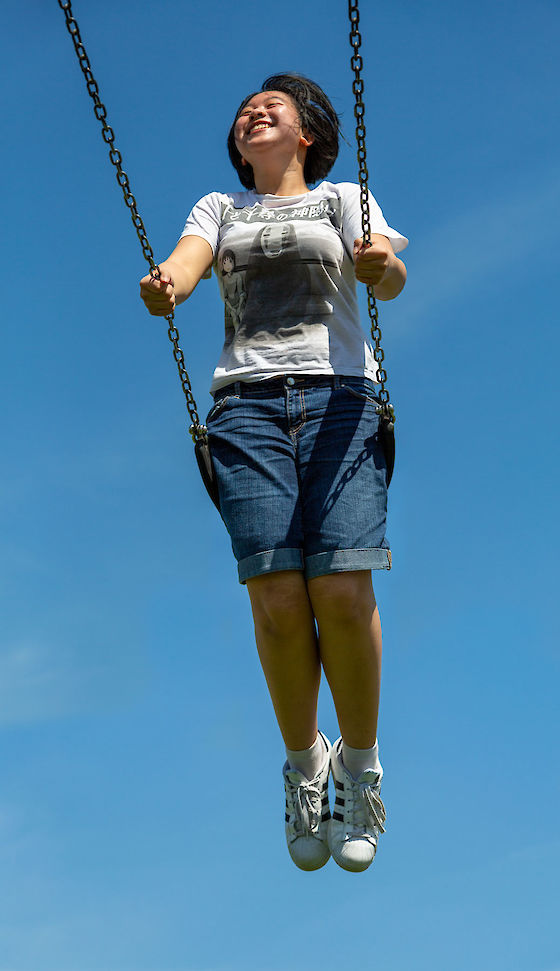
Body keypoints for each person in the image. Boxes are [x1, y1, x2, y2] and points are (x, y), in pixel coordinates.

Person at [139, 73, 408, 872]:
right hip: (246, 410)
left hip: (340, 401)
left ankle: (359, 768)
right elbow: (185, 265)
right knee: (279, 595)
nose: (256, 111)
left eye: (275, 107)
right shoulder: (219, 210)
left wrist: (376, 268)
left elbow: (390, 270)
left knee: (343, 586)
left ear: (308, 136)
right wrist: (164, 287)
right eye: (247, 109)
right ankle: (305, 763)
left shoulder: (344, 198)